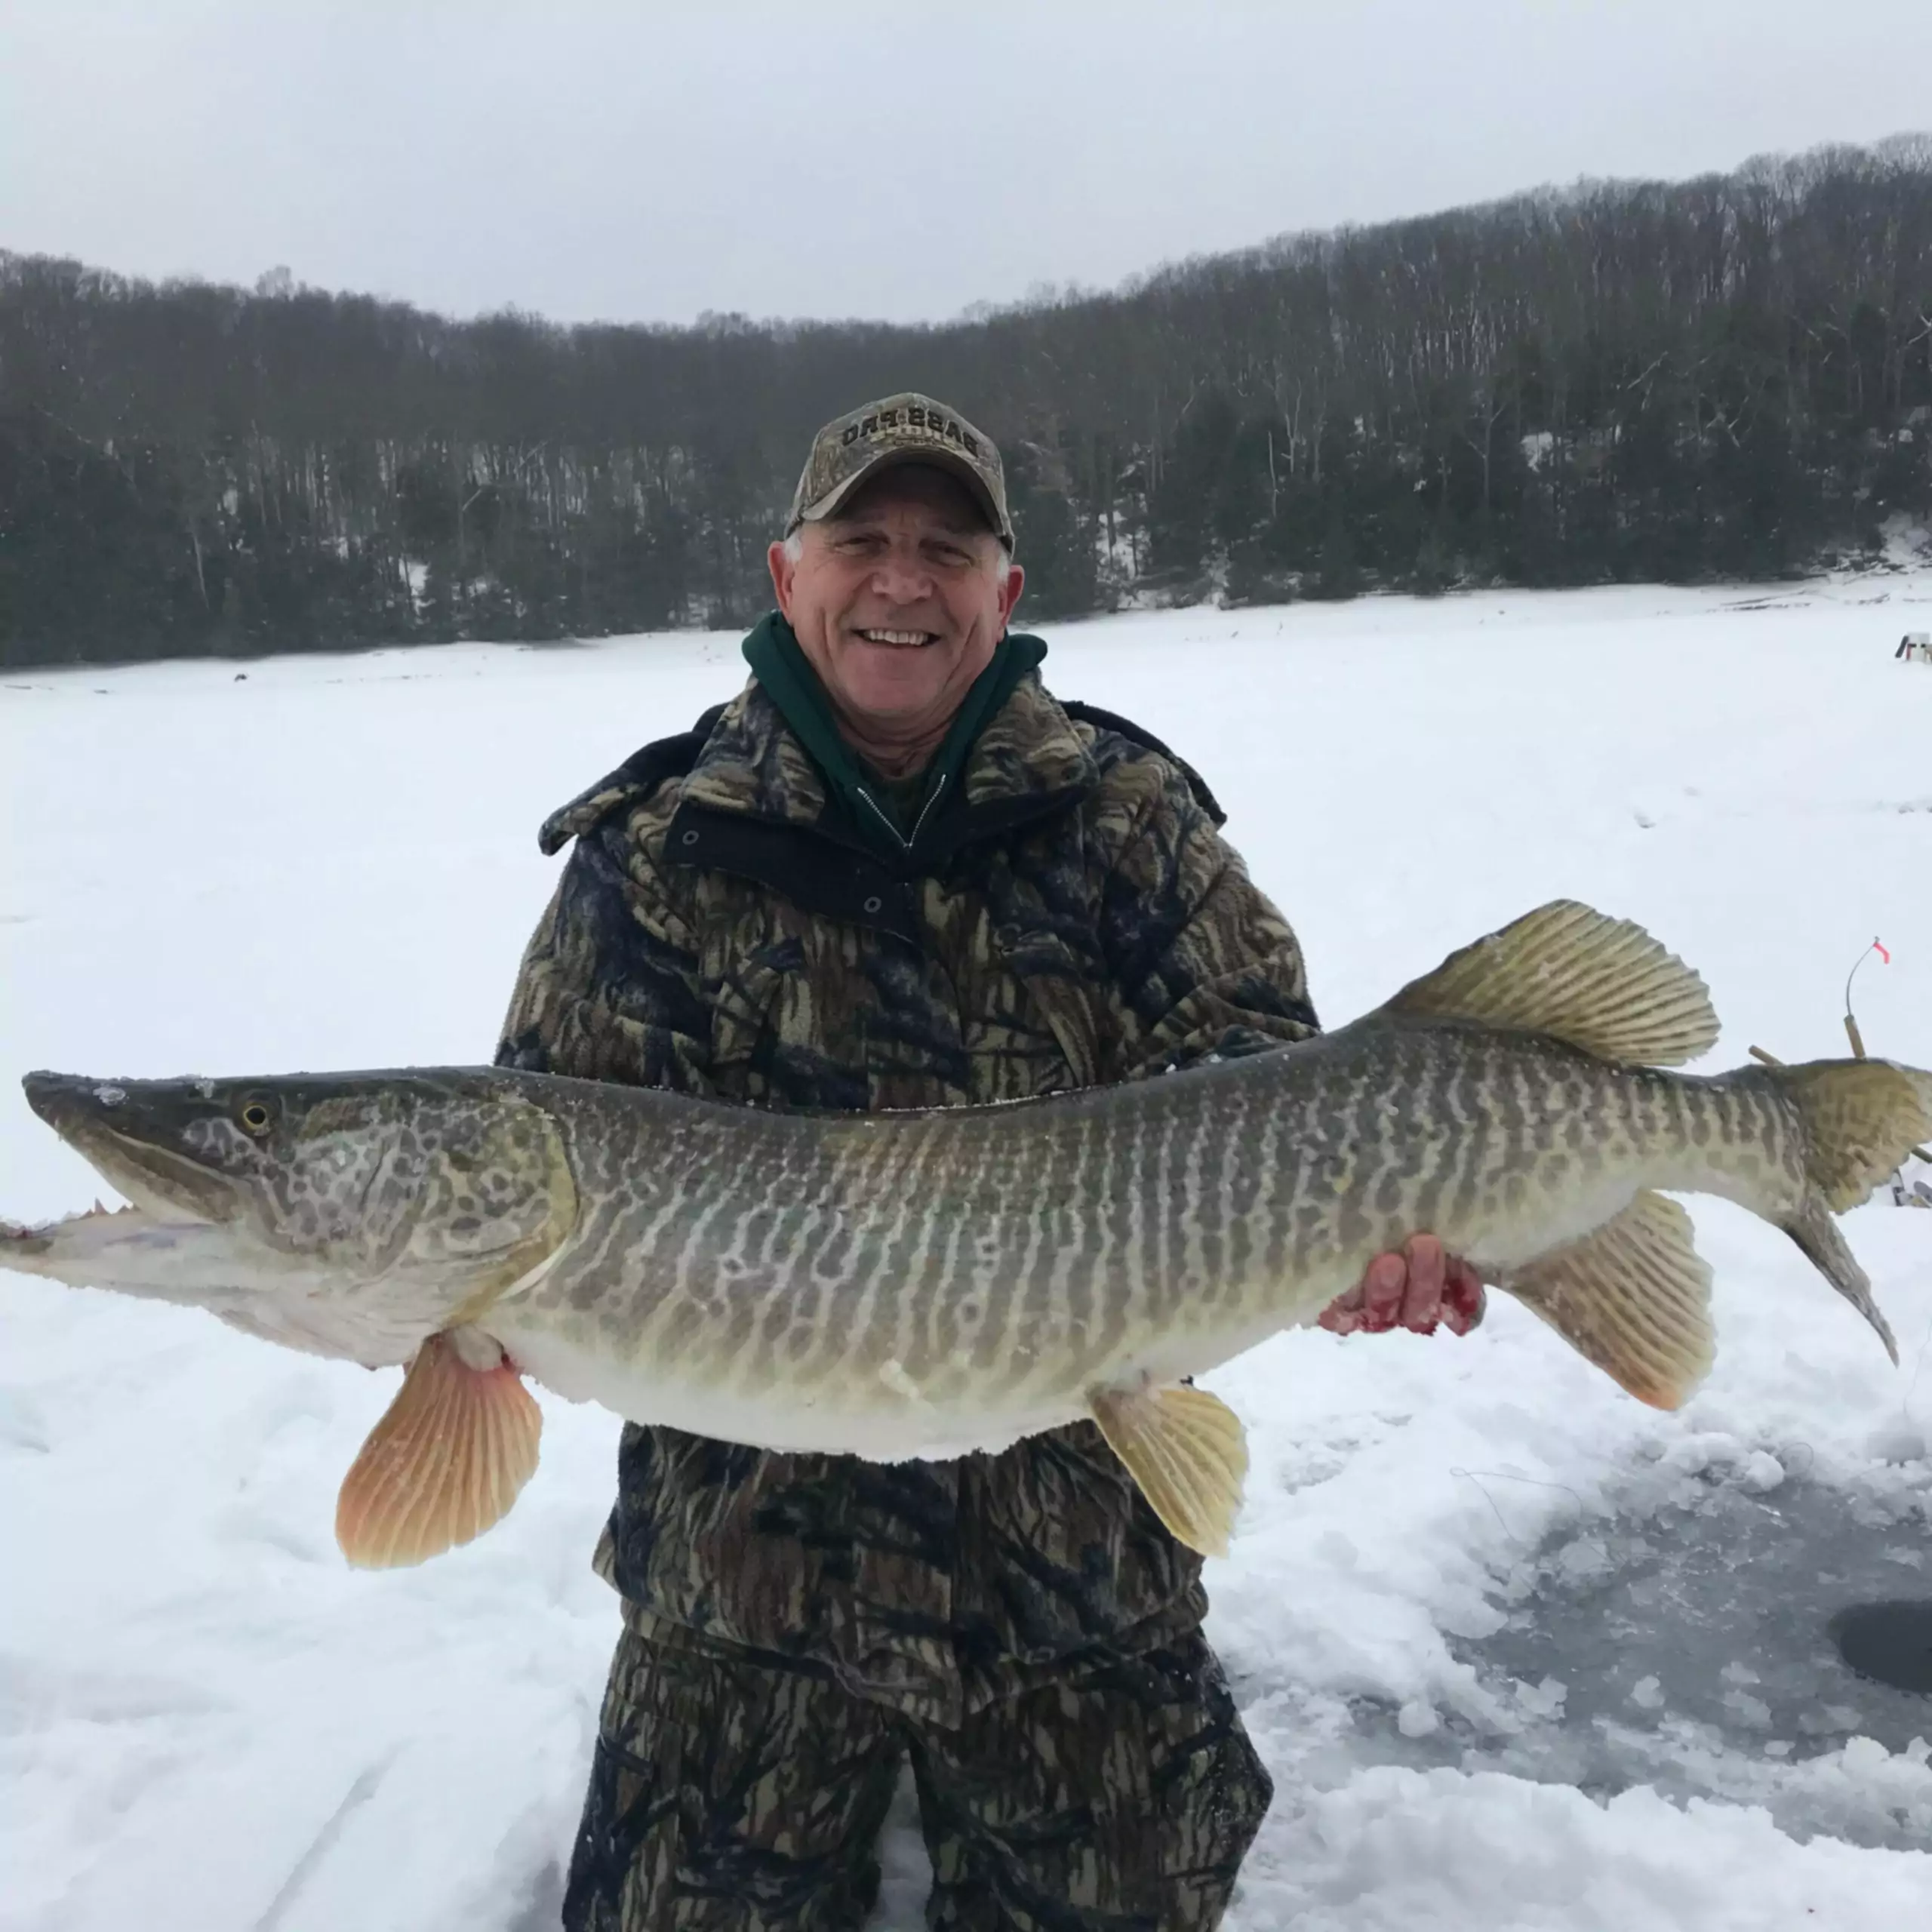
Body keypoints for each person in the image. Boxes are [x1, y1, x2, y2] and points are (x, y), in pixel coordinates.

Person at [496, 392, 1485, 1930]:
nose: (901, 580)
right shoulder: (656, 853)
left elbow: (1270, 1082)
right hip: (742, 1588)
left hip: (1074, 1579)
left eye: (943, 547)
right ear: (786, 573)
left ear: (1002, 593)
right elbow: (546, 1146)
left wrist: (1352, 1240)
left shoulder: (1128, 821)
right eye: (861, 541)